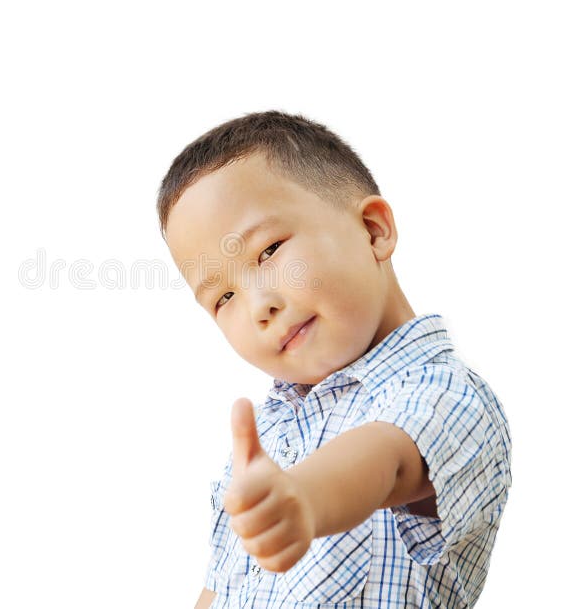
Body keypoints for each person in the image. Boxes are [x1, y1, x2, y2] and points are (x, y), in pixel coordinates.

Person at [155, 111, 512, 608]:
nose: (260, 306)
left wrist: (303, 496)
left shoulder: (446, 394)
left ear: (372, 230)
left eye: (270, 250)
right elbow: (219, 590)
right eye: (224, 298)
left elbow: (384, 462)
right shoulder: (267, 438)